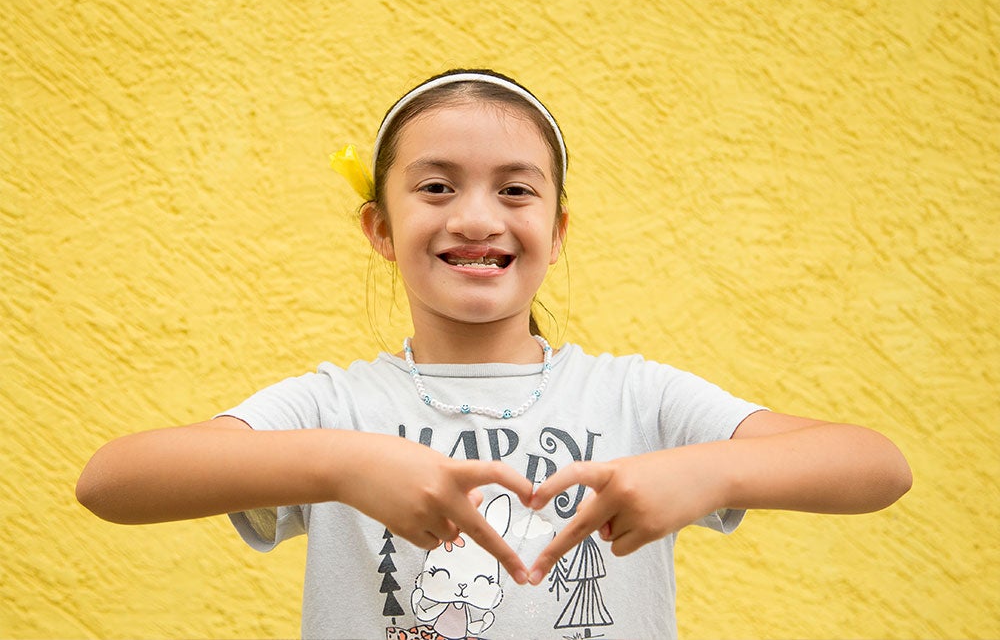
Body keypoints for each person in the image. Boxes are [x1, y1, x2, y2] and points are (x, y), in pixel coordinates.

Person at [76, 69, 912, 639]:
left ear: (556, 229)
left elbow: (878, 466)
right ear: (380, 228)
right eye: (436, 186)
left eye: (515, 188)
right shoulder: (335, 408)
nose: (476, 217)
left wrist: (710, 472)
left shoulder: (637, 396)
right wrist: (339, 466)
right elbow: (112, 482)